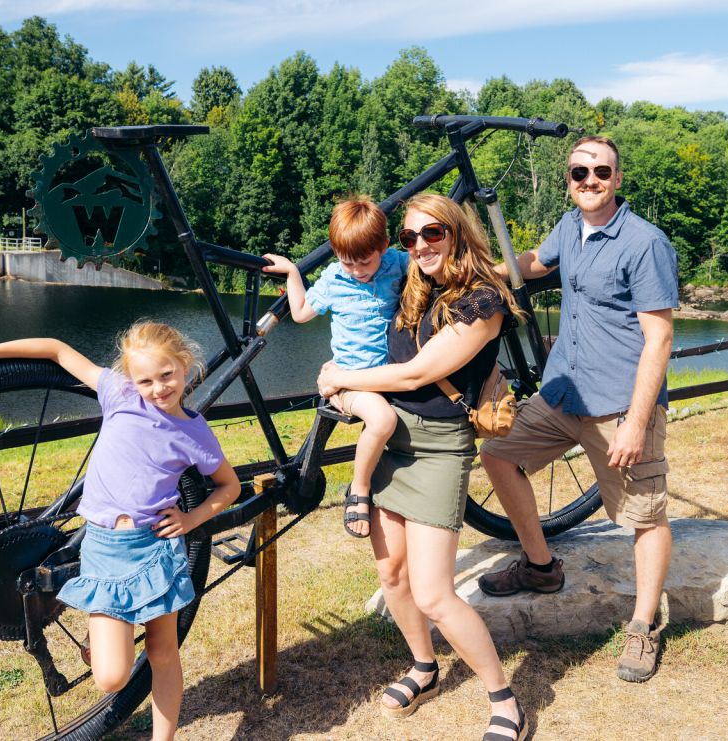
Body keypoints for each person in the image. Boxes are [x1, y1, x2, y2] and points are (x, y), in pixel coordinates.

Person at [0, 321, 241, 741]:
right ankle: (106, 641)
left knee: (163, 654)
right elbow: (57, 349)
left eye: (167, 375)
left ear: (185, 365)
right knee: (111, 678)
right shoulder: (120, 394)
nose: (158, 388)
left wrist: (190, 519)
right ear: (131, 379)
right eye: (146, 379)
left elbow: (230, 486)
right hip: (105, 548)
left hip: (154, 549)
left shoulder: (193, 430)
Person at [317, 193, 529, 741]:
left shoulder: (485, 302)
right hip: (391, 440)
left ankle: (503, 696)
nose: (420, 246)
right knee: (392, 575)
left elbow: (413, 375)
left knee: (434, 591)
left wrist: (340, 376)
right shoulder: (411, 285)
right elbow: (360, 322)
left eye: (431, 234)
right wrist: (340, 368)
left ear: (455, 232)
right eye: (410, 238)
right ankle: (424, 666)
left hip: (438, 449)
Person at [476, 135, 678, 684]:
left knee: (644, 517)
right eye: (578, 172)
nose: (589, 181)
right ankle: (541, 568)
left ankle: (642, 625)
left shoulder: (645, 242)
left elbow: (658, 338)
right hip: (564, 393)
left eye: (600, 172)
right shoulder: (570, 228)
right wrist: (487, 273)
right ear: (568, 179)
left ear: (618, 178)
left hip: (618, 404)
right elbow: (537, 262)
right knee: (497, 456)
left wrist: (637, 421)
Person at [263, 198, 408, 539]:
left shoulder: (396, 264)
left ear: (383, 246)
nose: (357, 270)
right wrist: (294, 272)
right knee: (384, 420)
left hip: (383, 375)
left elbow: (428, 265)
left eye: (364, 262)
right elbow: (299, 313)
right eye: (348, 262)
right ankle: (359, 489)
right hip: (347, 383)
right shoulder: (333, 279)